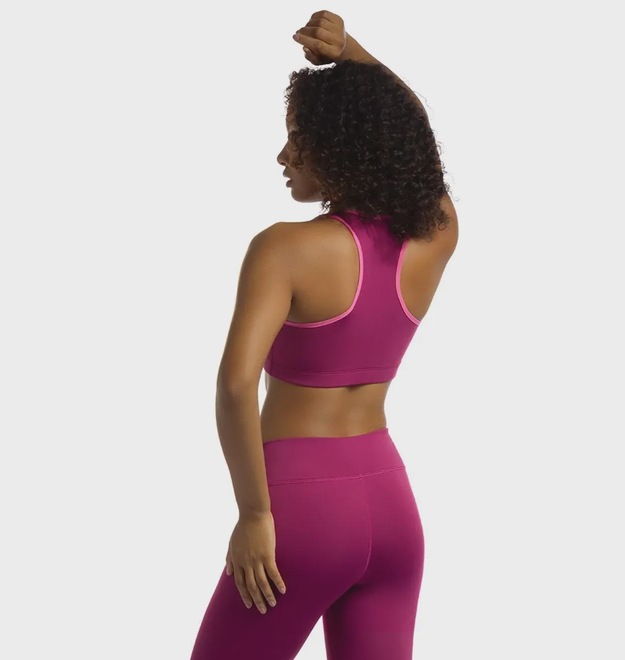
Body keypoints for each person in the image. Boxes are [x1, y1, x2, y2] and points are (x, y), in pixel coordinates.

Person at [189, 10, 458, 660]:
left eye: (298, 139)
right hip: (391, 507)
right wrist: (354, 52)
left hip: (302, 510)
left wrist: (255, 515)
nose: (284, 156)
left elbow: (235, 385)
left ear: (342, 144)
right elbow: (416, 137)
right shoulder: (434, 235)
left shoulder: (284, 248)